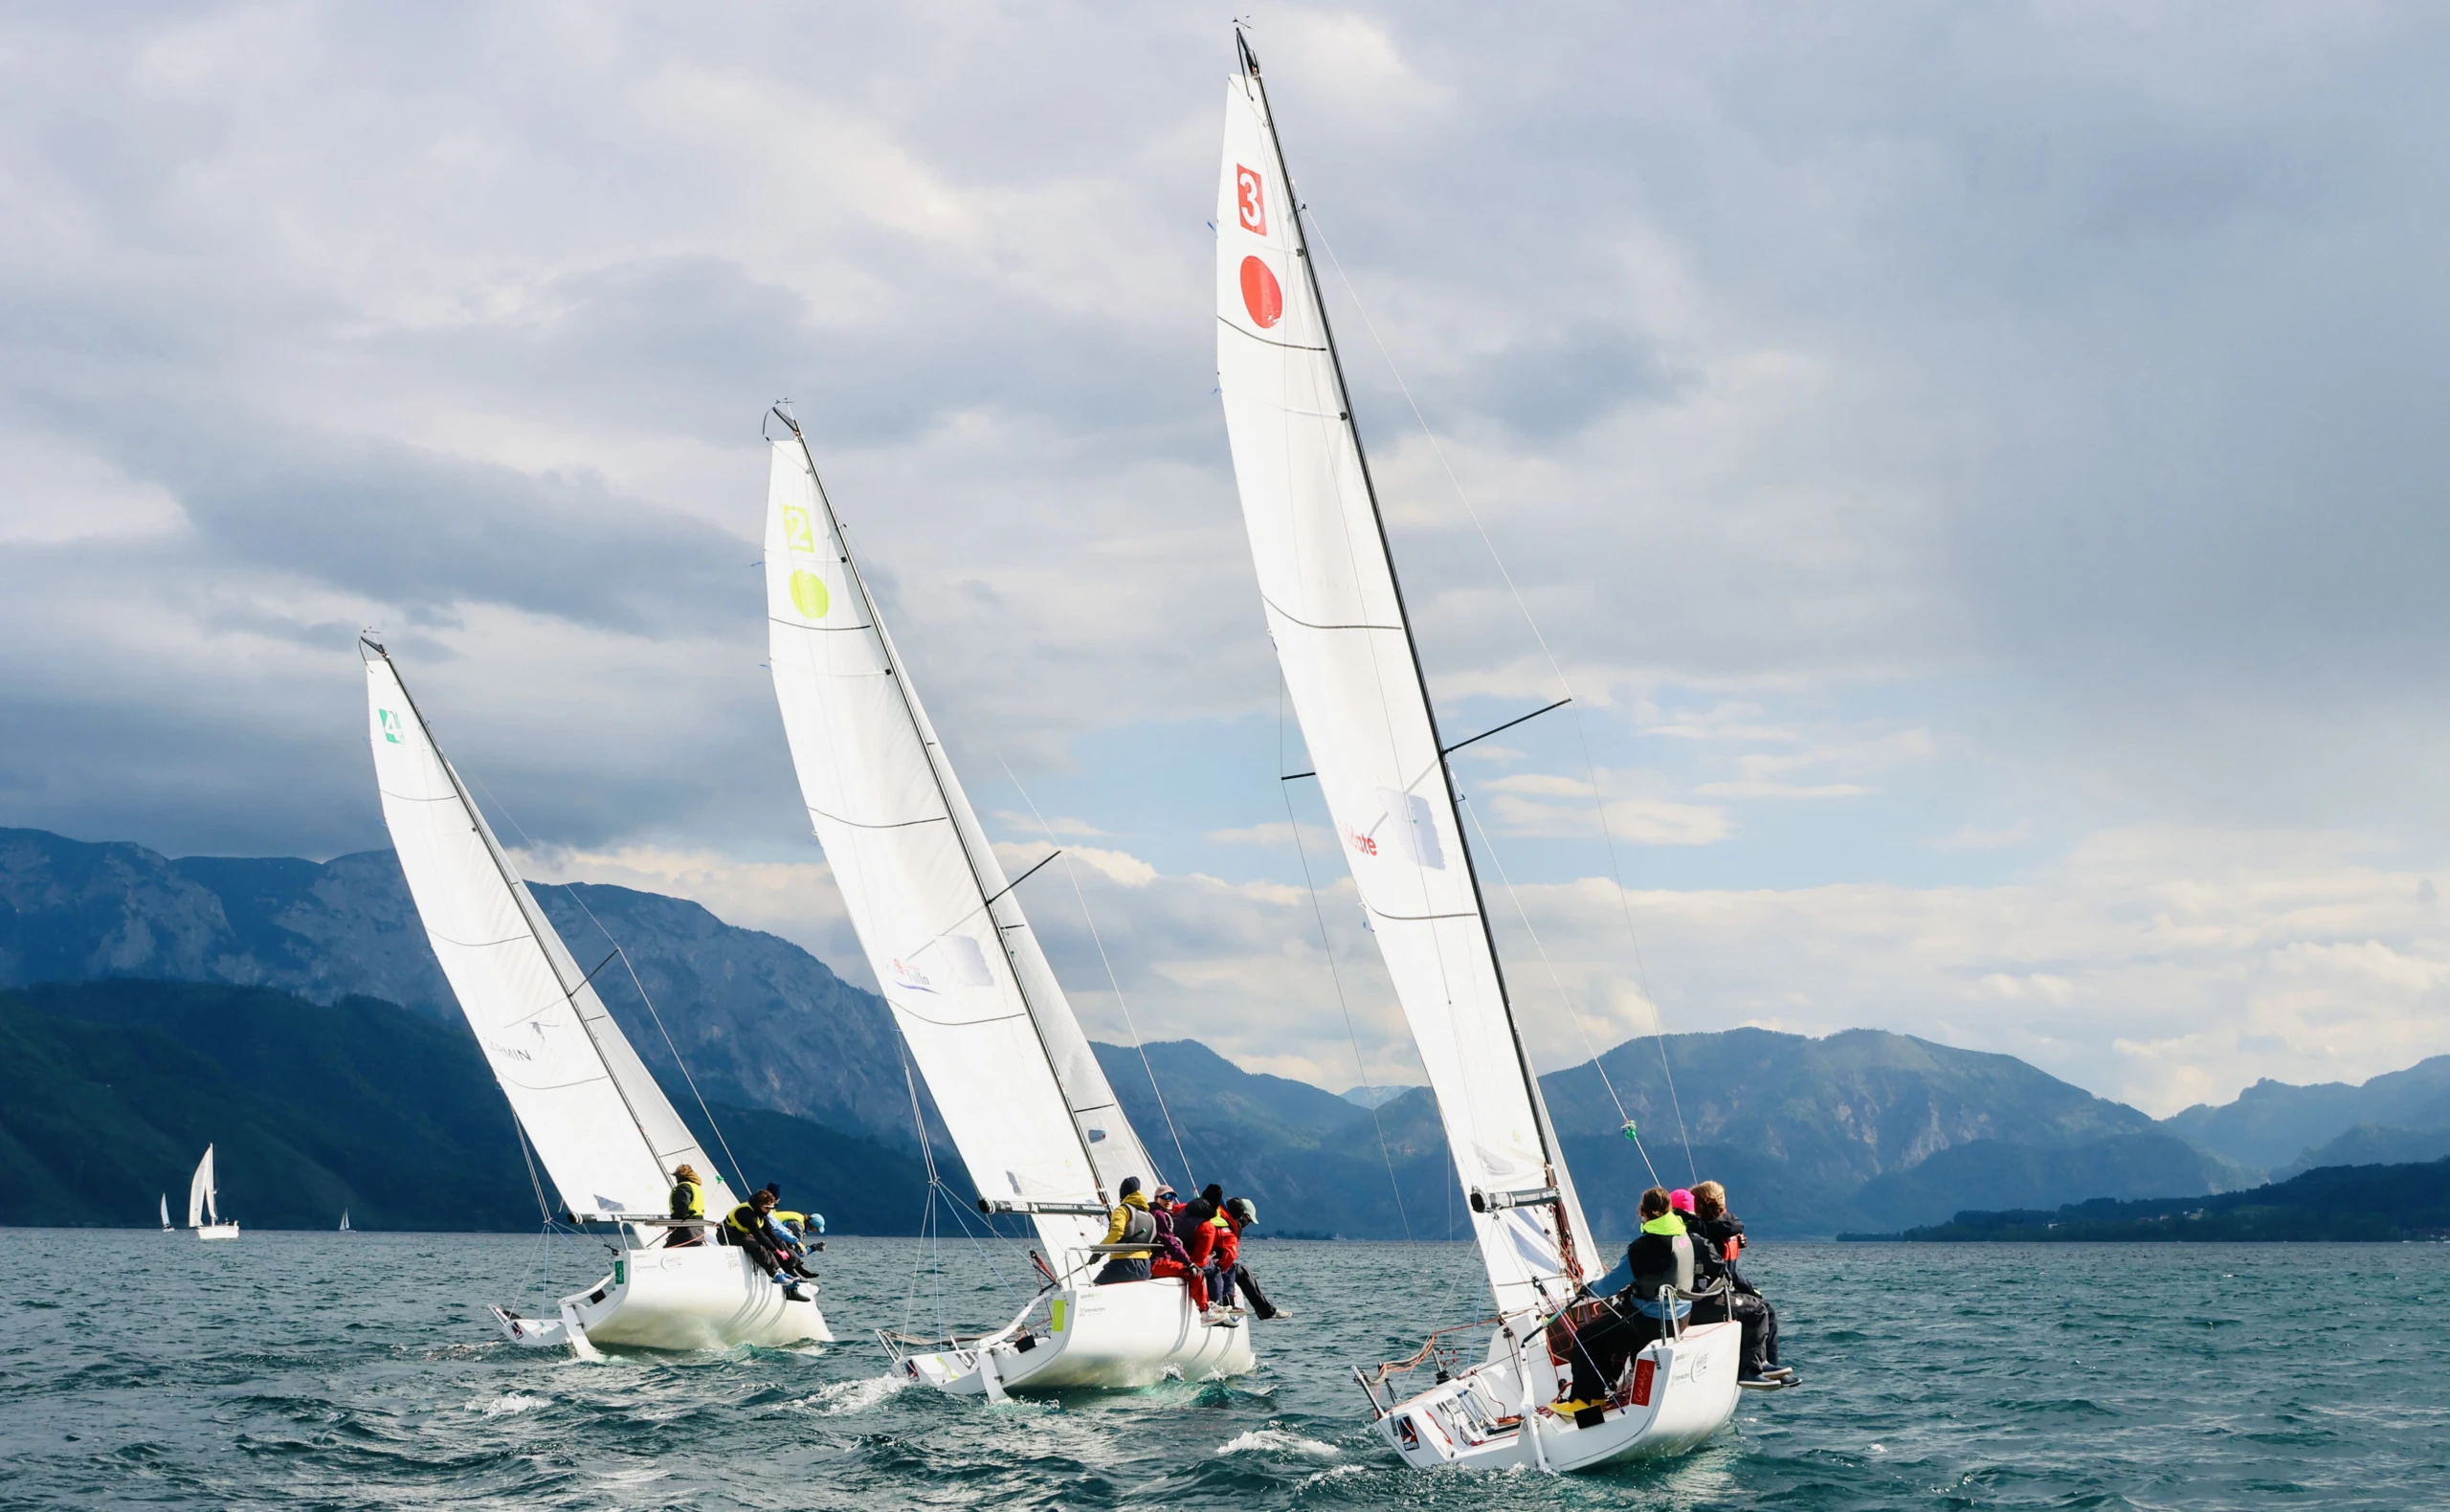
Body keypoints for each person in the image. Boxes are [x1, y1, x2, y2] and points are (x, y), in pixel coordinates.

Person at [1555, 1187, 1693, 1410]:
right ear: (1669, 1209)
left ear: (1642, 1212)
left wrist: (1587, 1290)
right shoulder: (1682, 1234)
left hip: (1652, 1322)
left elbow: (1610, 1285)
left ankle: (1585, 1402)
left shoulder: (1643, 1247)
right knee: (1610, 1328)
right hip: (1682, 1317)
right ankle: (1605, 1389)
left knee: (1586, 1338)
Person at [1686, 1180, 1786, 1385]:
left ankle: (1768, 1365)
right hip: (1705, 1298)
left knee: (1767, 1309)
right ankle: (1750, 1369)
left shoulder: (1723, 1231)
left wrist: (1750, 1289)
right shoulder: (1708, 1230)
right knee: (1757, 1311)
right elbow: (1723, 1267)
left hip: (1718, 1290)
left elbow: (1729, 1270)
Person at [724, 1187, 812, 1301]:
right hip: (729, 1235)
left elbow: (770, 1232)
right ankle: (776, 1275)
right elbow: (759, 1235)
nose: (769, 1210)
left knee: (779, 1245)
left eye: (771, 1208)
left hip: (745, 1234)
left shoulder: (762, 1213)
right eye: (767, 1208)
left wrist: (781, 1249)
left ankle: (788, 1280)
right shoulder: (747, 1213)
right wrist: (776, 1250)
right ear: (759, 1204)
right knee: (760, 1247)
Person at [1094, 1176, 1157, 1284]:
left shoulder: (1122, 1210)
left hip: (1123, 1264)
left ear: (1123, 1195)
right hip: (1145, 1267)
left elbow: (1117, 1232)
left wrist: (1098, 1251)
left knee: (1095, 1288)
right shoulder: (1149, 1215)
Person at [667, 1164, 706, 1247]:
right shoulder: (695, 1187)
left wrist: (672, 1224)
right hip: (698, 1230)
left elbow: (682, 1206)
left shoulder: (683, 1187)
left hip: (686, 1229)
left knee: (668, 1249)